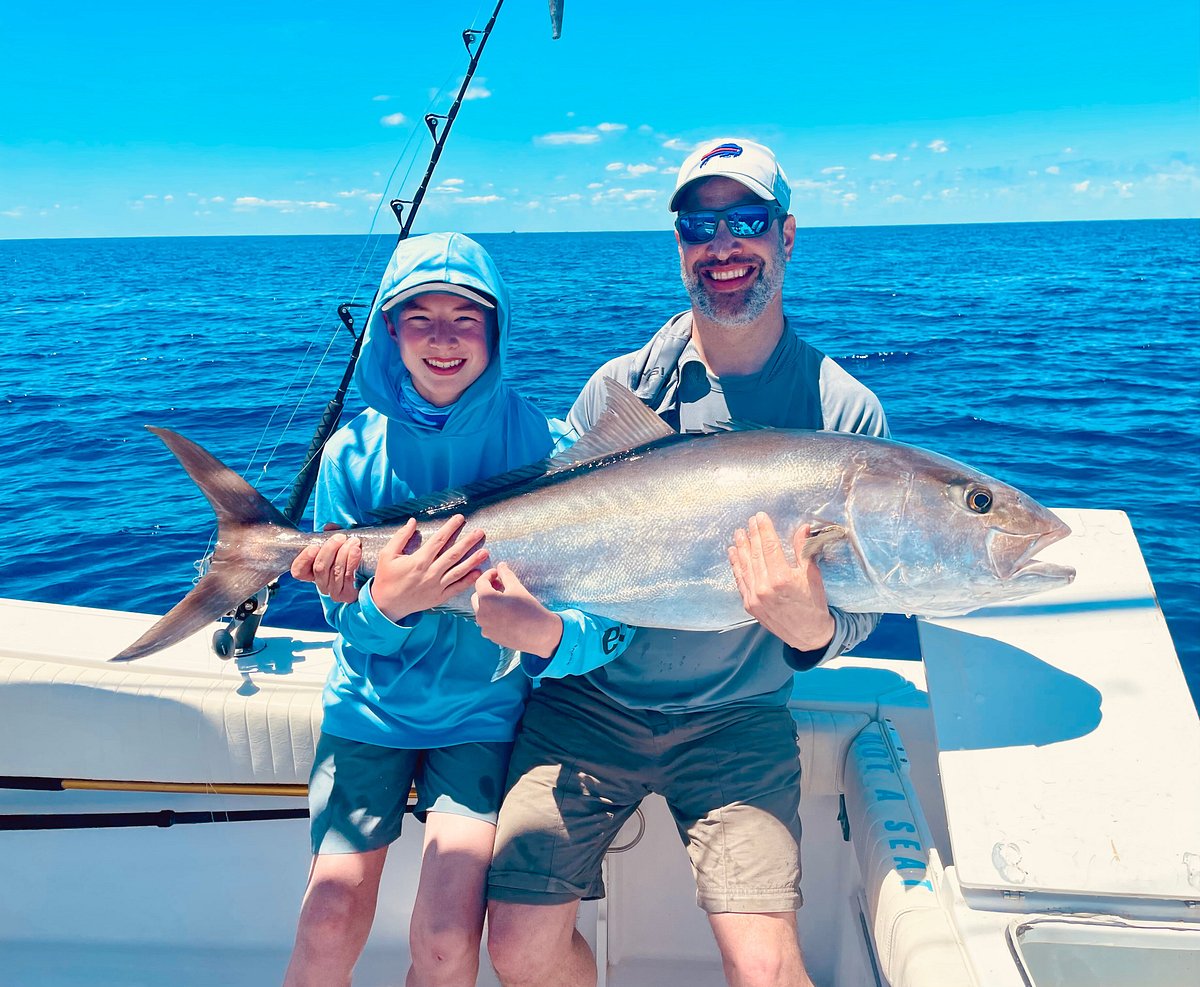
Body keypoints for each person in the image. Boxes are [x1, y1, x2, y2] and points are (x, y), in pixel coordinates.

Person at [472, 138, 889, 987]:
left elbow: (865, 603)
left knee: (769, 970)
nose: (724, 244)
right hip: (586, 708)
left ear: (787, 236)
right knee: (518, 947)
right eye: (702, 223)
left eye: (747, 220)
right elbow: (546, 546)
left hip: (736, 722)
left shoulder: (844, 411)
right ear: (680, 246)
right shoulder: (620, 389)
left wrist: (813, 630)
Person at [282, 233, 562, 987]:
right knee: (328, 916)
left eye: (466, 317)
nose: (443, 338)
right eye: (419, 317)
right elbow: (347, 626)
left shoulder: (544, 443)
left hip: (482, 712)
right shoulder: (350, 455)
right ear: (389, 331)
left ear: (497, 329)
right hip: (368, 708)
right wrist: (385, 603)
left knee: (444, 941)